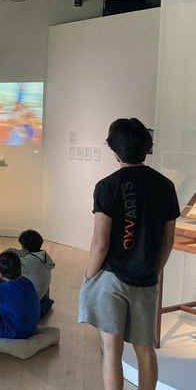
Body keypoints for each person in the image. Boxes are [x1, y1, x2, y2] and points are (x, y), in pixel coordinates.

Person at [78, 118, 180, 390]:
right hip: (146, 277)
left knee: (111, 351)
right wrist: (155, 271)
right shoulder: (166, 185)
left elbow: (101, 242)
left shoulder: (107, 186)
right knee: (145, 349)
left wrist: (89, 276)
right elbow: (167, 240)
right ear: (147, 147)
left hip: (111, 278)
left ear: (114, 150)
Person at [0, 229, 56, 318]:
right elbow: (15, 252)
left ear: (23, 246)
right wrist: (4, 253)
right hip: (37, 297)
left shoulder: (30, 262)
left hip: (27, 301)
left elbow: (6, 262)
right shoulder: (42, 256)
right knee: (2, 270)